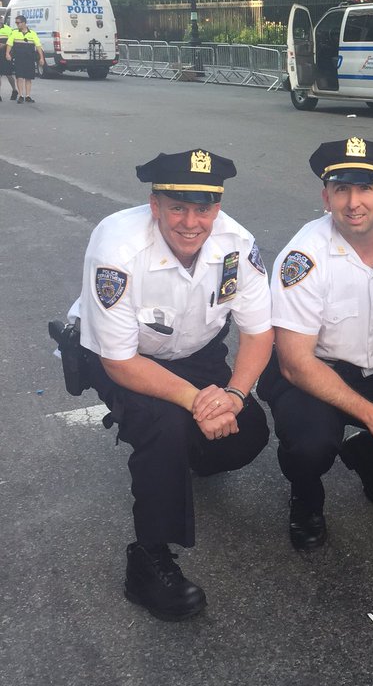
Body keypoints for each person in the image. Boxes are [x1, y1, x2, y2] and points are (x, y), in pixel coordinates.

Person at [66, 150, 273, 620]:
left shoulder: (236, 245)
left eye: (203, 209)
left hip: (193, 350)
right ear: (154, 203)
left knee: (251, 430)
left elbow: (259, 332)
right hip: (120, 354)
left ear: (216, 208)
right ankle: (147, 561)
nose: (190, 222)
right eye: (176, 207)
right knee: (164, 426)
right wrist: (198, 402)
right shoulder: (117, 246)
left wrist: (235, 397)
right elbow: (119, 360)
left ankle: (177, 463)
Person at [259, 137, 373, 551]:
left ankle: (369, 458)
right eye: (341, 189)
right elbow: (294, 363)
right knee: (309, 446)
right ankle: (305, 496)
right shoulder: (302, 258)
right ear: (326, 197)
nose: (353, 202)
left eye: (365, 189)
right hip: (318, 373)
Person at [5, 13, 44, 103]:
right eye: (16, 23)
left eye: (18, 23)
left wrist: (41, 58)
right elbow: (9, 44)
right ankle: (21, 96)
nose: (17, 24)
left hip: (29, 59)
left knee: (28, 78)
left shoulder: (33, 33)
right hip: (18, 58)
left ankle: (28, 96)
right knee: (19, 77)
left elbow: (38, 46)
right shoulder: (14, 32)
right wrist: (7, 54)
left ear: (24, 23)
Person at [0, 9, 19, 100]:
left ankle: (14, 90)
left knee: (8, 75)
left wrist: (4, 45)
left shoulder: (8, 29)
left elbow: (12, 41)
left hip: (5, 54)